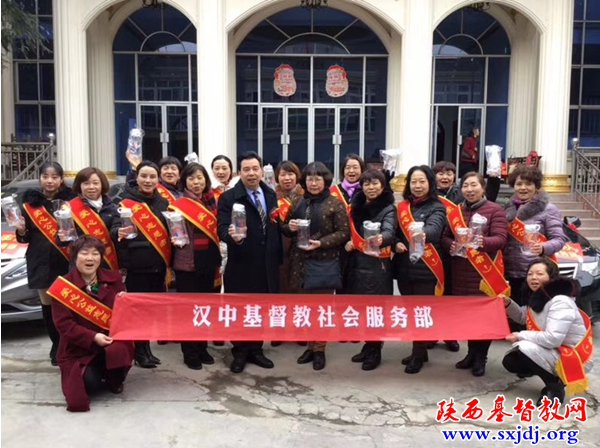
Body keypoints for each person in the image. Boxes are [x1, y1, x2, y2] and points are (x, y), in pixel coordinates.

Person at [47, 236, 134, 412]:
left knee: (121, 350)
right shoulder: (63, 287)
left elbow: (126, 315)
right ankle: (98, 374)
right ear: (74, 257)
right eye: (84, 253)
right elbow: (64, 325)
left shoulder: (114, 280)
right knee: (89, 384)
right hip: (77, 347)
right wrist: (93, 336)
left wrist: (126, 301)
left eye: (95, 254)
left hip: (110, 340)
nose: (90, 258)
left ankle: (114, 378)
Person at [217, 151, 282, 373]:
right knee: (241, 309)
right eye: (246, 169)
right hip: (242, 264)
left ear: (261, 170)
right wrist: (230, 235)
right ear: (239, 172)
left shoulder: (270, 194)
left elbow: (274, 223)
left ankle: (256, 349)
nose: (251, 173)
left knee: (260, 309)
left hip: (267, 264)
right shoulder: (228, 198)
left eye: (255, 169)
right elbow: (222, 227)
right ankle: (240, 350)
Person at [283, 162, 350, 370]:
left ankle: (320, 349)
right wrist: (290, 227)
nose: (313, 183)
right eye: (310, 179)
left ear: (325, 181)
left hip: (324, 262)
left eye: (318, 179)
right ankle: (310, 347)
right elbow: (284, 226)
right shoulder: (298, 201)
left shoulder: (335, 204)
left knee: (321, 309)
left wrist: (321, 243)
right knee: (306, 308)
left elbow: (343, 233)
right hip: (300, 263)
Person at [441, 172, 508, 377]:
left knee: (483, 319)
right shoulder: (456, 211)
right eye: (465, 186)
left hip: (484, 274)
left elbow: (501, 239)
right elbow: (445, 236)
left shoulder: (495, 210)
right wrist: (450, 244)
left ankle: (481, 358)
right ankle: (470, 354)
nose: (469, 190)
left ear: (483, 188)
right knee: (469, 318)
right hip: (460, 272)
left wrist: (482, 242)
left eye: (474, 185)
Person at [501, 259, 593, 405]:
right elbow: (522, 317)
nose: (533, 277)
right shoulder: (539, 298)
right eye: (530, 274)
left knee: (524, 347)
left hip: (573, 356)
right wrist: (508, 304)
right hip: (555, 350)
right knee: (512, 361)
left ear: (552, 277)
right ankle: (541, 369)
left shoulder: (560, 301)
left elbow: (552, 339)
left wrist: (520, 335)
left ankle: (555, 389)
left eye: (539, 273)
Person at [14, 162, 76, 366]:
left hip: (66, 258)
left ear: (61, 179)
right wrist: (21, 230)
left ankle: (69, 343)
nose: (50, 180)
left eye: (54, 176)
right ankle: (56, 344)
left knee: (67, 305)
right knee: (48, 307)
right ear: (40, 178)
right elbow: (24, 238)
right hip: (40, 260)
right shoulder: (29, 204)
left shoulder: (71, 202)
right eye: (45, 176)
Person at [110, 161, 170, 369]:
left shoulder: (163, 203)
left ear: (157, 180)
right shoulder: (125, 202)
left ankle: (146, 350)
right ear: (137, 177)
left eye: (152, 177)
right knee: (138, 311)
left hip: (158, 265)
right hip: (137, 265)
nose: (148, 180)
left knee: (151, 310)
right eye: (144, 176)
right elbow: (115, 228)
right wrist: (117, 232)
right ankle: (139, 352)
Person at [393, 165, 446, 374]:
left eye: (422, 181)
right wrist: (397, 242)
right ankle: (420, 350)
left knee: (421, 313)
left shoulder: (437, 206)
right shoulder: (403, 207)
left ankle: (417, 355)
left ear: (430, 183)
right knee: (409, 310)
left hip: (426, 268)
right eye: (413, 181)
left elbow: (435, 228)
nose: (417, 186)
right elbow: (395, 231)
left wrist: (423, 233)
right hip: (404, 267)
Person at [170, 163, 222, 370]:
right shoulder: (179, 205)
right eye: (191, 178)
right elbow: (174, 233)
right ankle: (189, 352)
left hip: (209, 262)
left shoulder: (212, 202)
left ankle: (202, 347)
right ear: (185, 182)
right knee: (188, 311)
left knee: (205, 310)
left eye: (200, 177)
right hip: (187, 264)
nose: (196, 182)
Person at [346, 169, 396, 371]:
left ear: (382, 186)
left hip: (377, 267)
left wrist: (381, 238)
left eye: (375, 183)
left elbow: (390, 230)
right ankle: (368, 345)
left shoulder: (388, 208)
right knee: (362, 308)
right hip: (357, 264)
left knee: (376, 310)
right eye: (366, 183)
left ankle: (376, 350)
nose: (371, 187)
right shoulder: (356, 206)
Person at [504, 165, 568, 306]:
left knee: (535, 316)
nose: (523, 188)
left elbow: (559, 239)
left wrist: (543, 248)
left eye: (528, 184)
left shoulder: (548, 209)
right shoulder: (508, 209)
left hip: (535, 274)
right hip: (510, 272)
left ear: (536, 186)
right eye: (519, 184)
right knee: (514, 315)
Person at [57, 167, 119, 271]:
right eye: (86, 183)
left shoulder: (113, 209)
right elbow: (61, 240)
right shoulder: (69, 209)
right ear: (79, 186)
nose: (91, 187)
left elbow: (116, 236)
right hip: (81, 266)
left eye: (95, 183)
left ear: (102, 184)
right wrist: (62, 237)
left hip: (107, 265)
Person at [271, 160, 305, 348]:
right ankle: (279, 330)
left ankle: (300, 329)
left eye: (290, 174)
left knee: (299, 291)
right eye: (283, 174)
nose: (287, 178)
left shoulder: (305, 196)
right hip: (280, 250)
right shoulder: (271, 197)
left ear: (297, 176)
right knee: (280, 291)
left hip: (301, 250)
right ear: (277, 177)